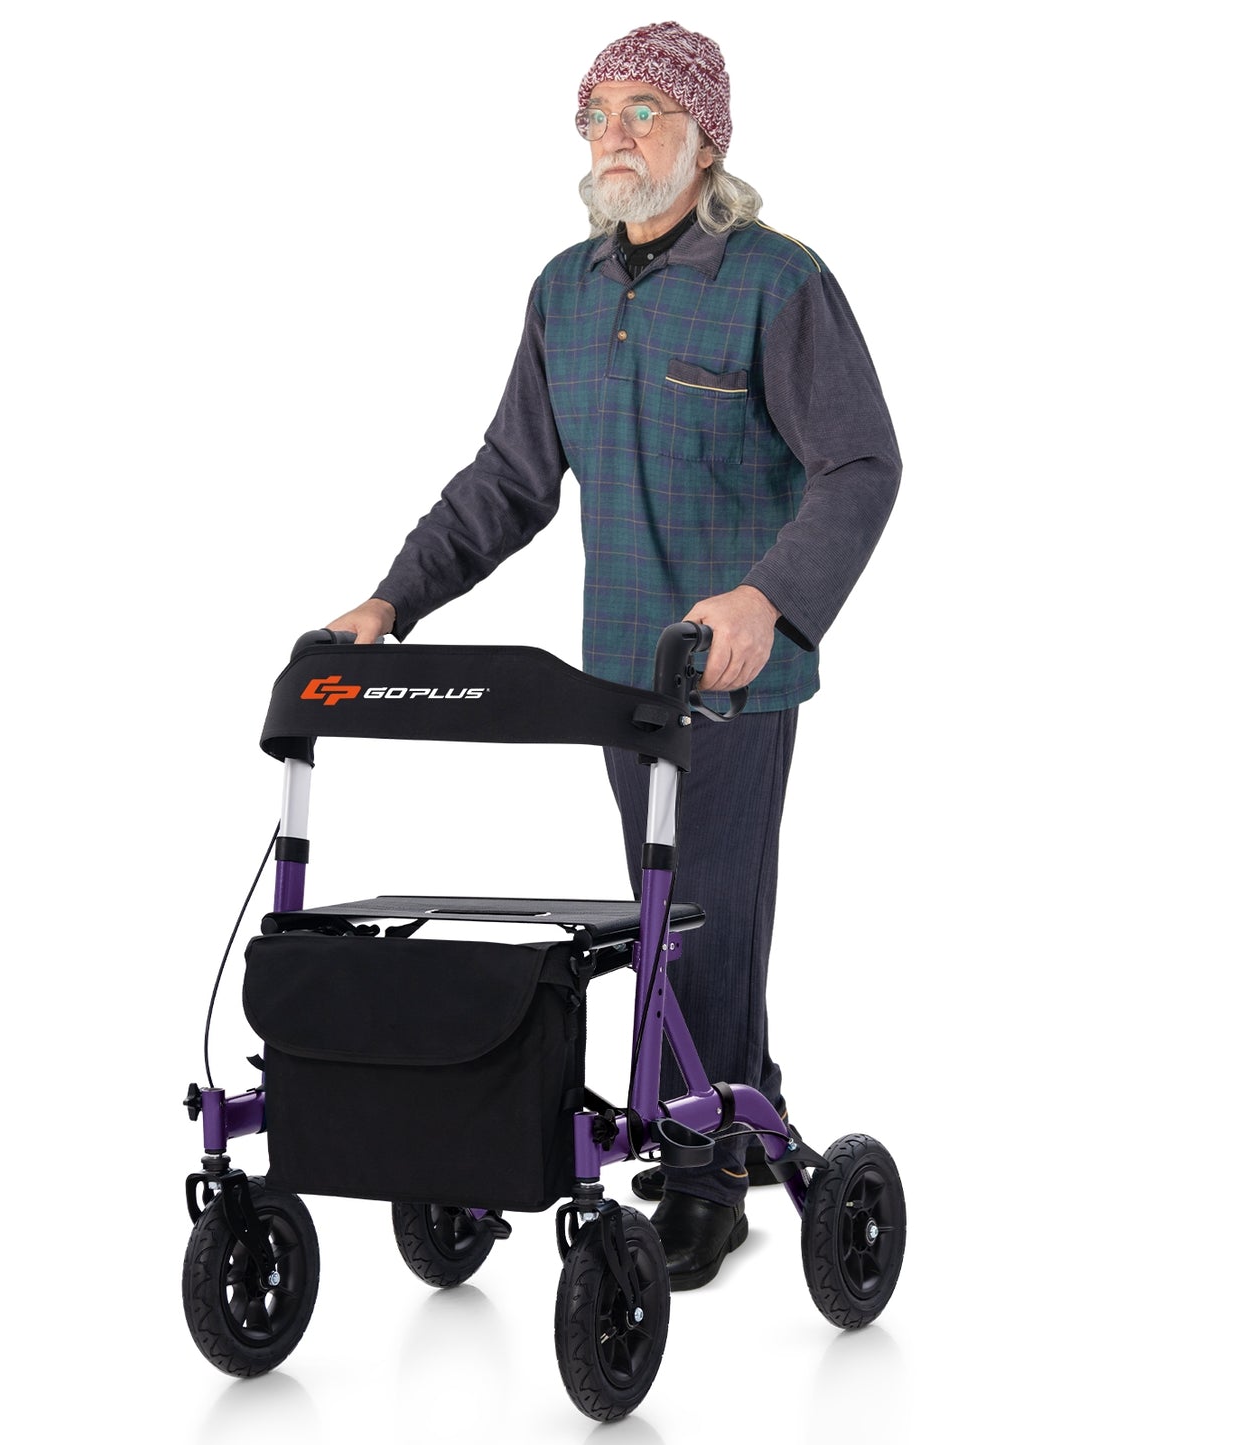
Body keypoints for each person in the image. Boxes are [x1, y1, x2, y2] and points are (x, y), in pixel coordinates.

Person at [325, 20, 900, 1288]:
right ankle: (736, 1104)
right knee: (665, 917)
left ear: (706, 136)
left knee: (702, 914)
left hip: (731, 674)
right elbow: (508, 478)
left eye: (645, 111)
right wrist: (390, 601)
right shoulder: (565, 292)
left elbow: (860, 462)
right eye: (595, 112)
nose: (614, 136)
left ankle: (705, 1172)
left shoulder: (777, 282)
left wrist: (768, 599)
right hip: (615, 675)